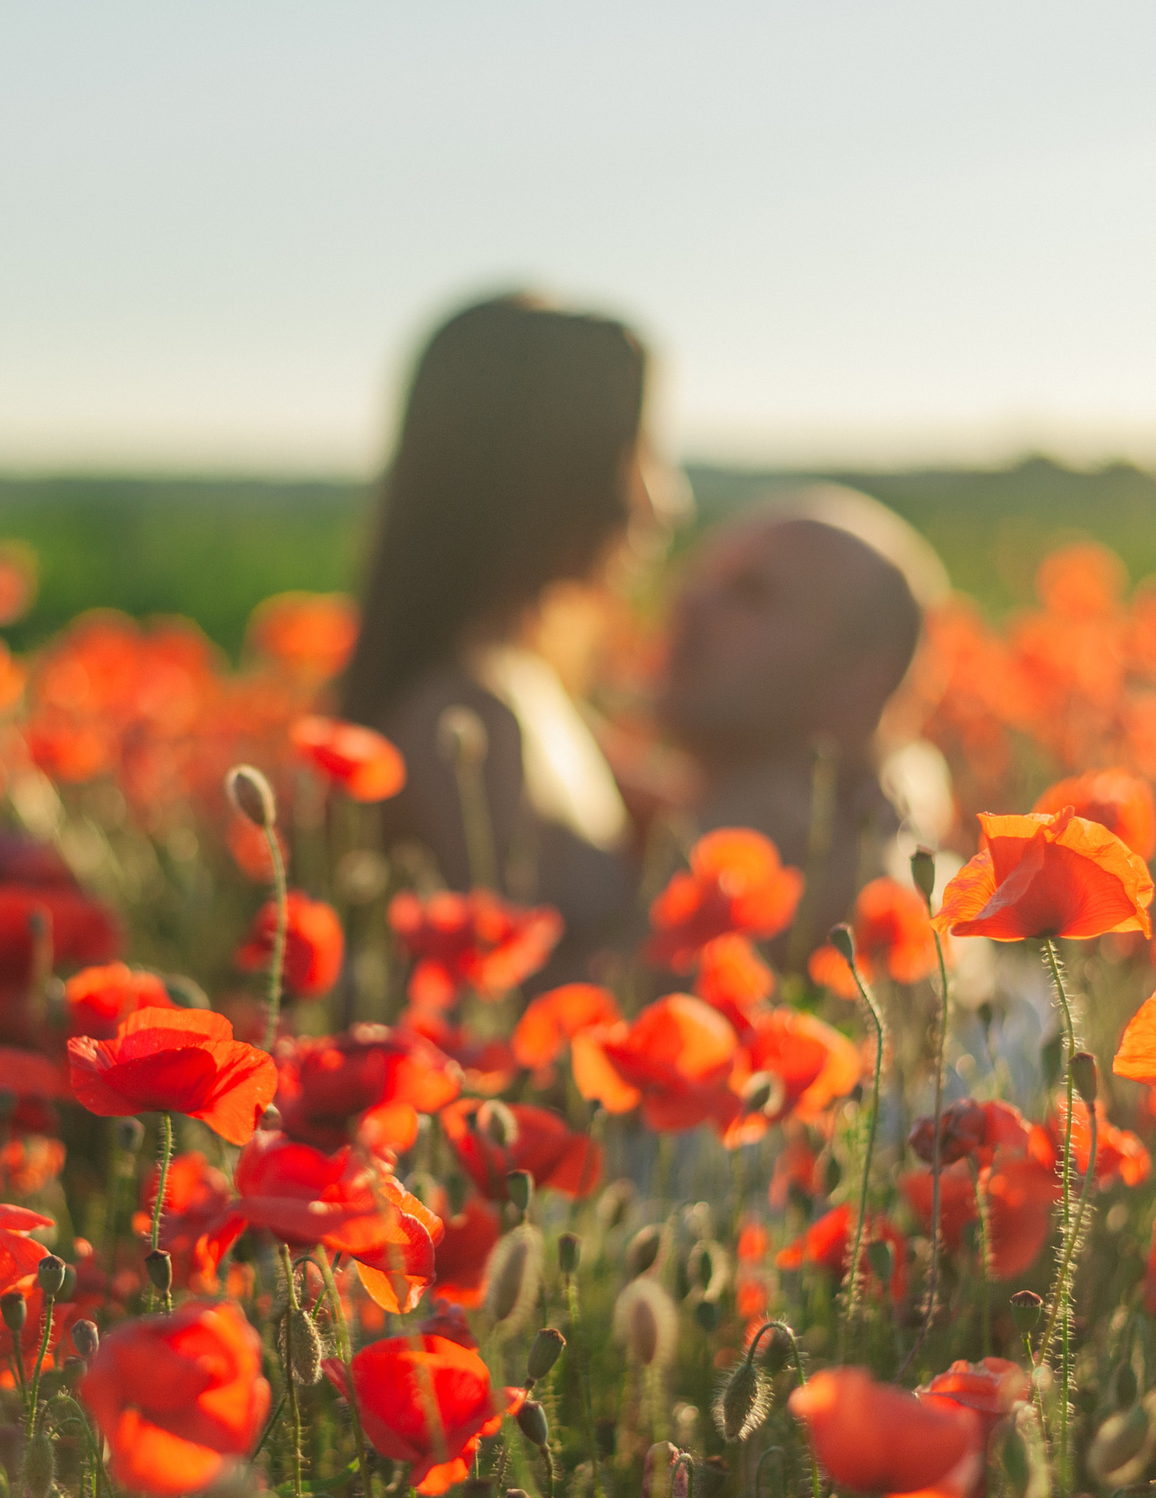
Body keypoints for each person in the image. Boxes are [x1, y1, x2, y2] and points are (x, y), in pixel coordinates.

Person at [340, 292, 682, 982]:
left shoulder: (520, 682)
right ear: (549, 476)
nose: (661, 499)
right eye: (637, 453)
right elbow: (504, 995)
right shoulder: (465, 720)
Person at [657, 485, 955, 950]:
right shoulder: (654, 813)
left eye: (750, 592)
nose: (689, 604)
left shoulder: (857, 923)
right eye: (706, 579)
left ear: (861, 678)